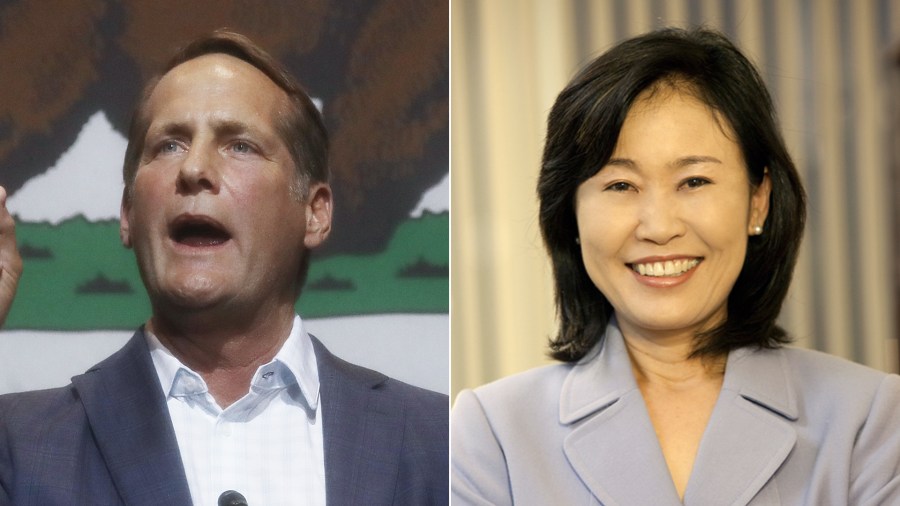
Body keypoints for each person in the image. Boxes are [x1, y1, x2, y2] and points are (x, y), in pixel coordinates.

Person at [451, 27, 900, 505]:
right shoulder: (491, 434)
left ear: (758, 201)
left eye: (694, 180)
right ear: (571, 213)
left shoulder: (868, 420)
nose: (659, 227)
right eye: (621, 185)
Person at [0, 30, 448, 505]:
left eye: (239, 146)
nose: (193, 168)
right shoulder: (19, 444)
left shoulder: (435, 440)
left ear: (314, 212)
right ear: (128, 214)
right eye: (169, 145)